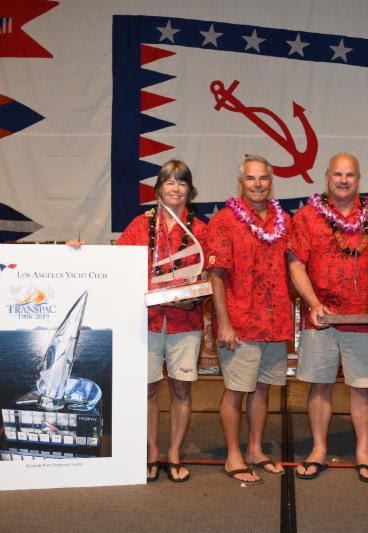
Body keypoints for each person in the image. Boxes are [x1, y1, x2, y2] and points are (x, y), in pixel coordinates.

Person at [287, 152, 368, 482]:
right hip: (320, 317)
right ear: (326, 177)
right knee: (320, 385)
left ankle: (364, 450)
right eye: (338, 174)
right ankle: (319, 449)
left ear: (358, 179)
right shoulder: (307, 216)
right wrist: (312, 302)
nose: (343, 180)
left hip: (364, 318)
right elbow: (295, 265)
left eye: (350, 174)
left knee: (362, 387)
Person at [116, 160, 207, 482]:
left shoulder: (201, 228)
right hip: (148, 321)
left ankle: (174, 454)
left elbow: (210, 273)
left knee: (181, 389)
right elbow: (116, 263)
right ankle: (151, 452)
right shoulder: (140, 225)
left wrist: (197, 294)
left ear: (189, 190)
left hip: (186, 321)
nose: (175, 188)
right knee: (148, 389)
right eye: (169, 182)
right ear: (158, 188)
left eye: (181, 183)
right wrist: (78, 251)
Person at [206, 155, 292, 485]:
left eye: (263, 179)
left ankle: (255, 449)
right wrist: (224, 324)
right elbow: (216, 277)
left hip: (275, 322)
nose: (258, 184)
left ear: (271, 182)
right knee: (235, 391)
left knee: (263, 389)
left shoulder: (282, 220)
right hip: (239, 323)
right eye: (251, 179)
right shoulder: (225, 221)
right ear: (240, 183)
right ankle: (233, 455)